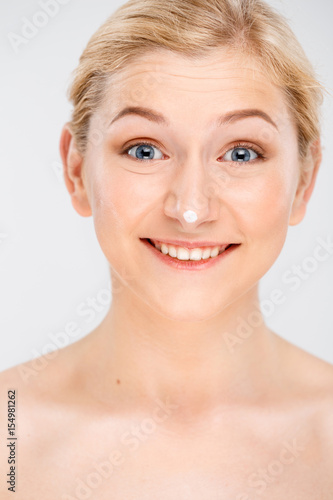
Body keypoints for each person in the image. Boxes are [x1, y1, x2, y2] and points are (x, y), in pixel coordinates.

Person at [1, 0, 332, 498]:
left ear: (304, 181)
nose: (191, 208)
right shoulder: (8, 435)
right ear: (76, 171)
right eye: (144, 150)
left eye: (241, 152)